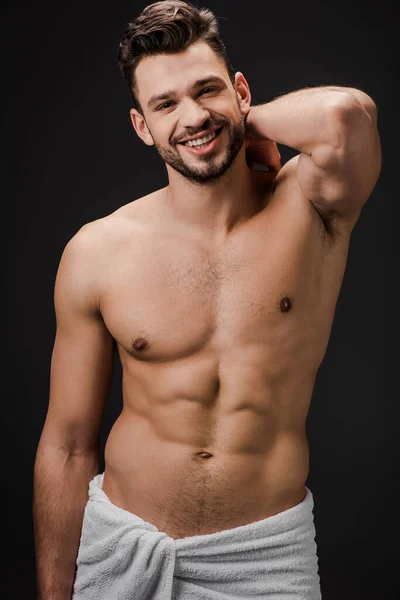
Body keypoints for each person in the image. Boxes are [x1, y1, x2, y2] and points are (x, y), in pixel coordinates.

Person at [32, 1, 381, 599]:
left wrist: (247, 123)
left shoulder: (311, 203)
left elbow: (346, 114)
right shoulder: (98, 251)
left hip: (264, 562)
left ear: (241, 90)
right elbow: (67, 446)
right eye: (166, 105)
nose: (192, 116)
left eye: (208, 91)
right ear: (143, 126)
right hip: (122, 549)